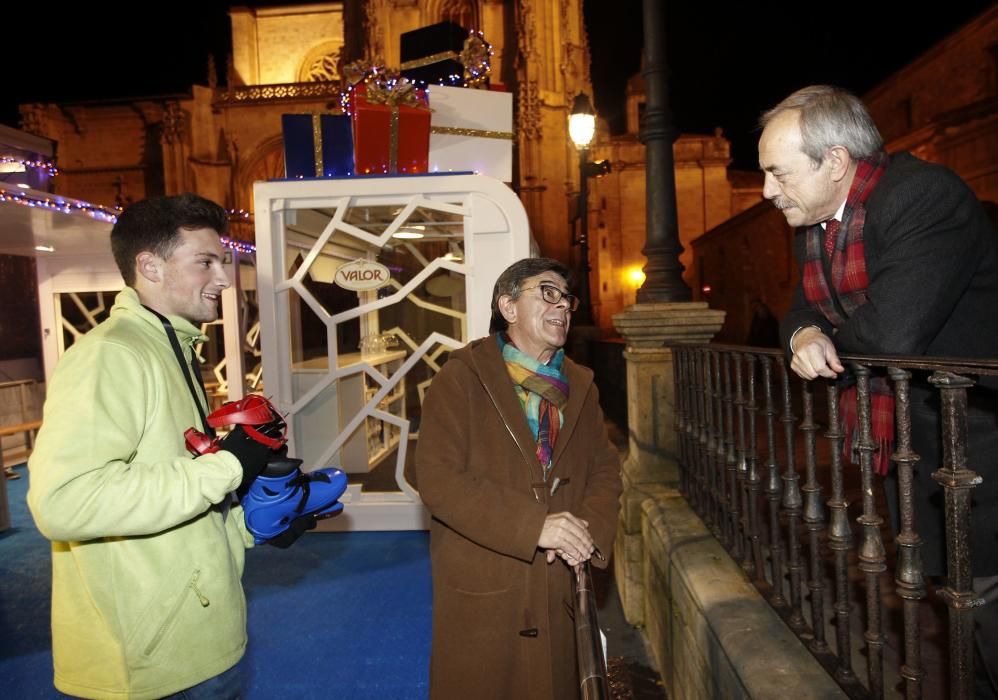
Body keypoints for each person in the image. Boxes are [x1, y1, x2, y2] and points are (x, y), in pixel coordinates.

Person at [761, 85, 998, 697]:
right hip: (913, 444)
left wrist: (822, 331)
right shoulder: (814, 226)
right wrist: (803, 333)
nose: (766, 191)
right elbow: (794, 313)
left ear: (835, 162)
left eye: (777, 173)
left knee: (986, 594)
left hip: (977, 441)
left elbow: (895, 332)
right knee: (947, 591)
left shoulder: (923, 196)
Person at [27, 193, 294, 699]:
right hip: (150, 667)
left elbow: (173, 475)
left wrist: (248, 526)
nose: (223, 278)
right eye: (206, 262)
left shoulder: (173, 346)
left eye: (224, 261)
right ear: (149, 265)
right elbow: (66, 501)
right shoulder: (112, 355)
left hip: (201, 640)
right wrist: (230, 466)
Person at [414, 257, 622, 699]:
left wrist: (584, 532)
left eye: (567, 298)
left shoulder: (582, 384)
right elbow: (435, 476)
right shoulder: (461, 379)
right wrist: (536, 526)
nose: (563, 306)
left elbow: (605, 469)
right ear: (508, 307)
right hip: (487, 582)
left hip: (560, 583)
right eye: (547, 293)